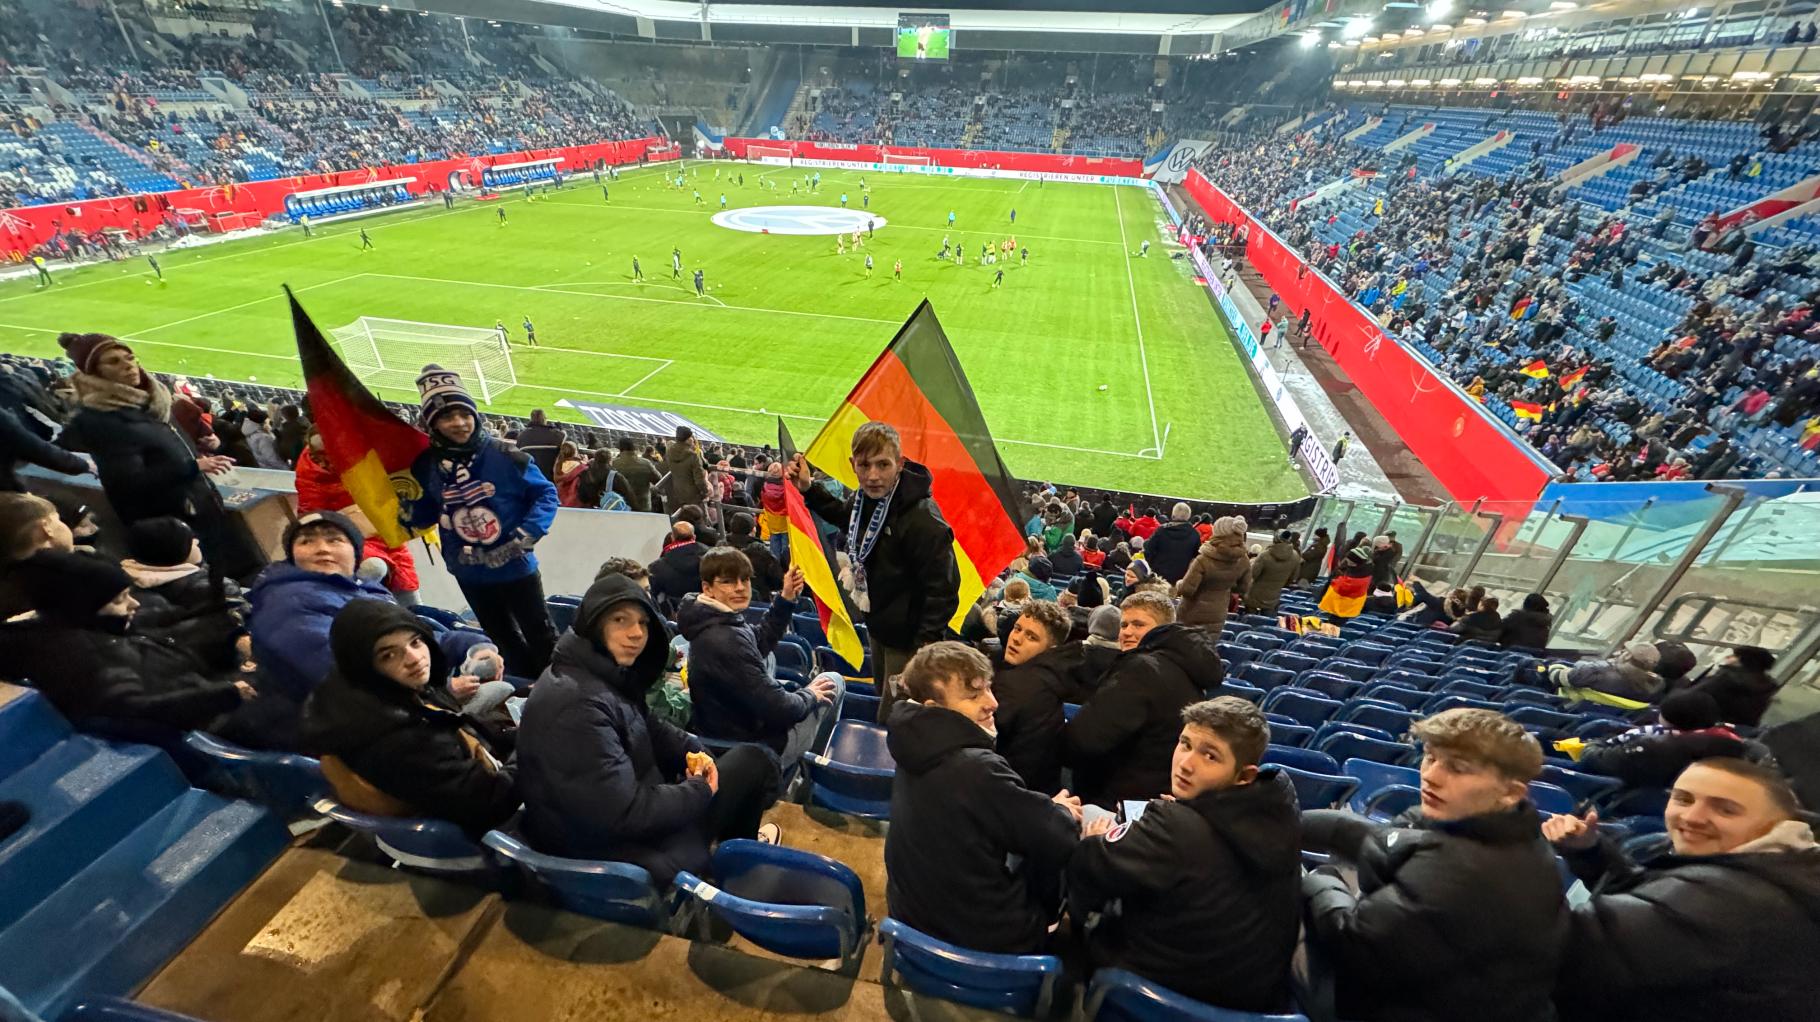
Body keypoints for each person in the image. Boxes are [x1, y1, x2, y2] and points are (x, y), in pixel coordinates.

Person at [1302, 708, 1565, 1022]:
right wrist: (1300, 826)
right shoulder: (1516, 834)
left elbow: (1350, 940)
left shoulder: (1458, 871)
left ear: (1509, 792)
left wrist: (1320, 878)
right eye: (1430, 756)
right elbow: (1383, 841)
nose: (1430, 775)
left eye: (1456, 768)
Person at [516, 573, 781, 881]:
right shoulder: (579, 706)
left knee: (746, 761)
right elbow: (625, 813)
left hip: (620, 825)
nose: (636, 634)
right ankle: (732, 867)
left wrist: (695, 751)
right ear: (593, 624)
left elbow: (648, 725)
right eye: (620, 620)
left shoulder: (594, 674)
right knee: (753, 763)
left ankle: (731, 849)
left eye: (643, 623)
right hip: (623, 854)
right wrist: (698, 790)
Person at [1069, 698, 1301, 1012]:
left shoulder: (1175, 828)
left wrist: (1095, 839)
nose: (1186, 763)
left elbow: (1089, 864)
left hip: (1154, 995)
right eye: (1185, 744)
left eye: (1210, 755)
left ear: (1244, 776)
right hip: (1244, 1003)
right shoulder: (1280, 815)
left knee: (1082, 824)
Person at [1545, 758, 1820, 1021]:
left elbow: (1542, 954)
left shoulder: (1723, 902)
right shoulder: (1788, 863)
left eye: (1726, 809)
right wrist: (1591, 852)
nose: (1692, 817)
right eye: (1683, 799)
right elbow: (1649, 896)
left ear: (1775, 824)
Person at [884, 641, 1083, 954]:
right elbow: (1057, 835)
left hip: (911, 915)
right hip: (976, 934)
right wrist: (1062, 812)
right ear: (934, 709)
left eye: (989, 688)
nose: (992, 703)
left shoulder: (912, 739)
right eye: (973, 695)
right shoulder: (976, 768)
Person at [0, 550, 282, 746]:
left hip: (207, 692)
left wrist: (227, 636)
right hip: (215, 724)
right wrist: (225, 694)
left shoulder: (100, 628)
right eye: (121, 599)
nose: (133, 604)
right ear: (85, 607)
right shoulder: (88, 657)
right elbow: (135, 707)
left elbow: (159, 633)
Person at [299, 600, 518, 837]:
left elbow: (455, 721)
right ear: (363, 662)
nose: (414, 658)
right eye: (389, 654)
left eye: (415, 642)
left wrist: (522, 736)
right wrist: (535, 749)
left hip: (460, 792)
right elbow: (493, 804)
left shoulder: (367, 687)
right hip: (472, 833)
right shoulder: (401, 740)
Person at [790, 421, 957, 720]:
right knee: (883, 690)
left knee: (895, 712)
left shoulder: (922, 519)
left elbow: (942, 589)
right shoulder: (866, 498)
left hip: (908, 639)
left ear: (900, 464)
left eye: (883, 464)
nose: (873, 475)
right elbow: (849, 520)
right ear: (852, 464)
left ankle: (887, 761)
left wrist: (925, 647)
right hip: (879, 623)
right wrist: (808, 489)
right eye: (864, 465)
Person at [402, 366, 559, 678]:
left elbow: (546, 494)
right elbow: (425, 512)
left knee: (541, 634)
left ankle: (559, 690)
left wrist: (528, 533)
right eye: (447, 417)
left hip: (517, 567)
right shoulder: (425, 466)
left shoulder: (507, 454)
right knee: (502, 640)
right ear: (433, 423)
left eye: (464, 413)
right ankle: (525, 691)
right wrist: (401, 509)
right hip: (469, 572)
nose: (459, 423)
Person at [248, 511, 499, 704]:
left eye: (334, 539)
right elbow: (344, 683)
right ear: (292, 554)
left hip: (410, 692)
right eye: (307, 542)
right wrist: (441, 692)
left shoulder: (364, 588)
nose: (322, 548)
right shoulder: (286, 604)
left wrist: (473, 646)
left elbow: (415, 637)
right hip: (353, 726)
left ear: (356, 552)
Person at [54, 333, 235, 562]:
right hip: (170, 525)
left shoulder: (148, 402)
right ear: (93, 373)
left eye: (129, 358)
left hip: (196, 507)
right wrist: (192, 466)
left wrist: (198, 449)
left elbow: (160, 449)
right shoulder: (101, 420)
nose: (128, 366)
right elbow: (128, 482)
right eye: (113, 362)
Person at [679, 551, 841, 770]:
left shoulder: (712, 618)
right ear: (707, 588)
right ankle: (814, 767)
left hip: (728, 726)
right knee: (834, 680)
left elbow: (761, 641)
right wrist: (809, 694)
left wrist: (785, 599)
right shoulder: (725, 640)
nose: (739, 587)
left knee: (771, 658)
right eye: (728, 582)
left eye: (744, 579)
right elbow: (781, 708)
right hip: (755, 747)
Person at [1066, 592, 1224, 809]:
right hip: (1150, 798)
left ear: (1162, 628)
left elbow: (1085, 739)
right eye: (1124, 625)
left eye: (1138, 624)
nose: (1127, 632)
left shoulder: (1141, 669)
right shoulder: (1184, 666)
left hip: (1114, 801)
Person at [120, 516, 250, 675]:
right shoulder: (216, 587)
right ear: (177, 553)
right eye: (190, 542)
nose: (196, 542)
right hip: (229, 670)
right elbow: (248, 627)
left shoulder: (126, 587)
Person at [990, 600, 1082, 795]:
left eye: (1031, 637)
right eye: (1017, 629)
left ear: (1050, 649)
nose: (1016, 639)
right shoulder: (1050, 676)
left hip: (1012, 793)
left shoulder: (1020, 685)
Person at [1576, 690, 1750, 789]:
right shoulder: (1733, 744)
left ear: (1669, 718)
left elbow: (1596, 760)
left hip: (1627, 795)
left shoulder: (1655, 744)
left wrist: (1595, 744)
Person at [1176, 515, 1252, 631]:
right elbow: (1242, 588)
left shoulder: (1203, 559)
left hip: (1191, 614)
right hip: (1218, 614)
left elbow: (1187, 590)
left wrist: (1179, 584)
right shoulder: (1244, 559)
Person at [1680, 646, 1780, 727]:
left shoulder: (1725, 679)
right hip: (1732, 730)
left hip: (1697, 724)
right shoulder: (1766, 687)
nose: (1727, 657)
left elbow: (1688, 699)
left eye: (1733, 656)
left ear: (1742, 661)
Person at [647, 520, 705, 613]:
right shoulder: (711, 557)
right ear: (694, 537)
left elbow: (651, 597)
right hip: (711, 611)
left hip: (677, 617)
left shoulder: (656, 567)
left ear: (672, 538)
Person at [1245, 530, 1302, 615]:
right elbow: (1293, 577)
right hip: (1274, 595)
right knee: (1266, 618)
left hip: (1255, 593)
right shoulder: (1295, 556)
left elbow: (1254, 574)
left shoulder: (1264, 555)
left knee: (1250, 617)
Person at [1145, 503, 1202, 583]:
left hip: (1160, 577)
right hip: (1179, 578)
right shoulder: (1194, 534)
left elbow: (1148, 551)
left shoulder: (1161, 530)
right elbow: (1197, 557)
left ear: (1173, 515)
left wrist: (1154, 567)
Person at [665, 426, 709, 510]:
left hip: (677, 493)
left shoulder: (669, 452)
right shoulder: (692, 456)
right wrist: (705, 492)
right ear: (688, 439)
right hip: (693, 496)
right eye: (692, 437)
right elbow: (699, 480)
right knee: (697, 519)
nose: (693, 439)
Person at [515, 410, 566, 481]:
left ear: (531, 419)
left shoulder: (523, 435)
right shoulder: (557, 435)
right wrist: (562, 430)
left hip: (529, 477)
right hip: (550, 478)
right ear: (544, 419)